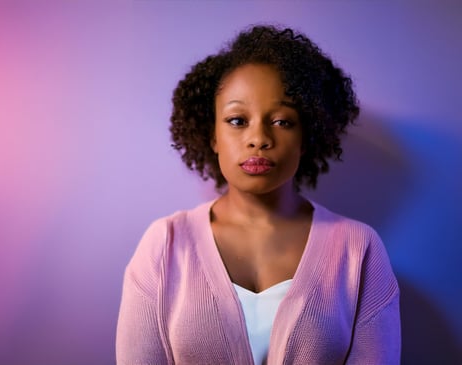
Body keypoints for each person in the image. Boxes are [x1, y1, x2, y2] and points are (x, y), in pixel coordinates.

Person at [116, 25, 400, 364]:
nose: (258, 139)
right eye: (237, 120)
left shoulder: (358, 249)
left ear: (307, 136)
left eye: (281, 121)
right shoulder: (164, 245)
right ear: (212, 136)